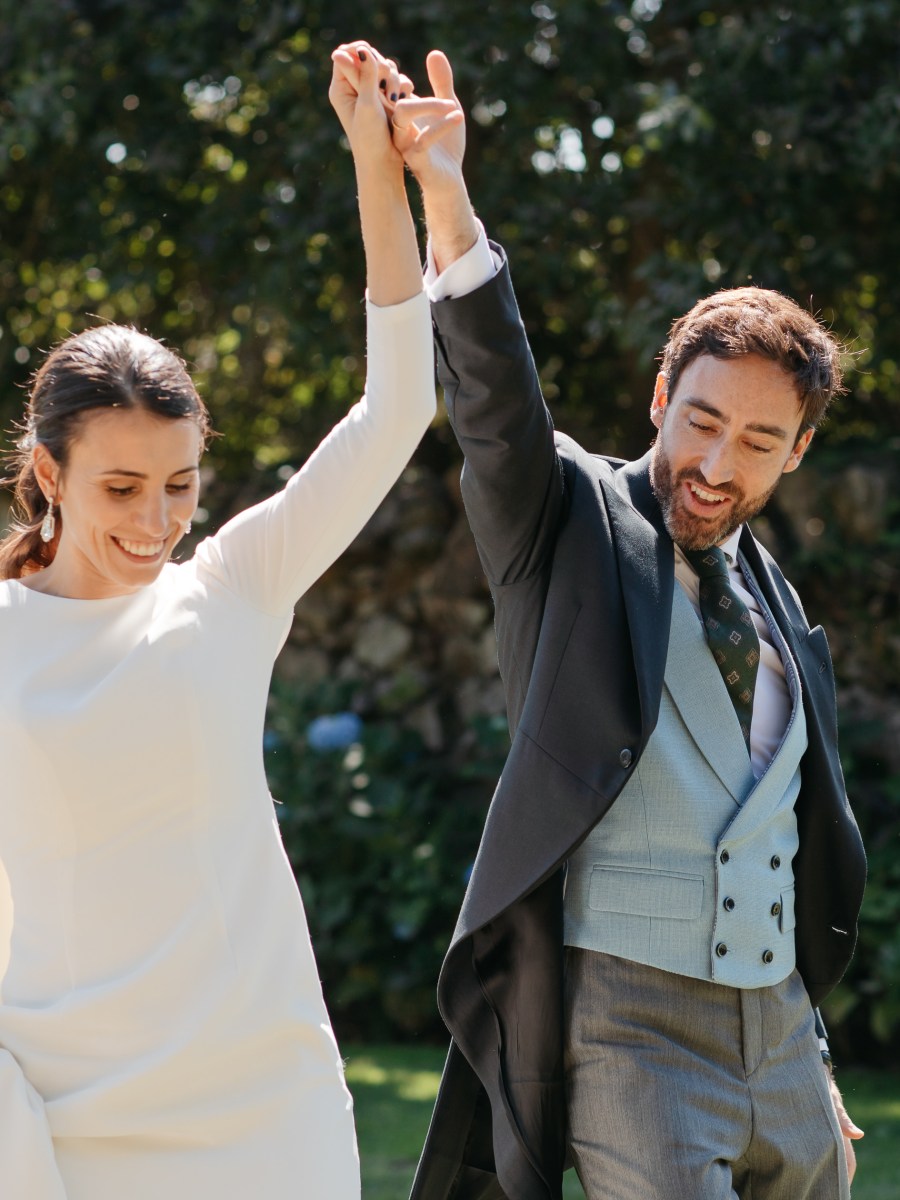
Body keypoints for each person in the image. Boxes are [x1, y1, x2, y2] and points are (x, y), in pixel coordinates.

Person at [382, 48, 867, 1200]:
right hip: (630, 1032)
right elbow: (497, 401)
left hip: (785, 1042)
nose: (713, 464)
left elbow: (786, 839)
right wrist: (446, 195)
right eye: (699, 421)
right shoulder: (572, 523)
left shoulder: (784, 611)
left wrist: (811, 1054)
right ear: (661, 397)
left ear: (798, 452)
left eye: (757, 443)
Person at [0, 43, 460, 1200]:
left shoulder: (230, 591)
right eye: (120, 488)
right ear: (46, 471)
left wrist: (378, 164)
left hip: (269, 1114)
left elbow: (399, 404)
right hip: (61, 1120)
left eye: (179, 483)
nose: (156, 520)